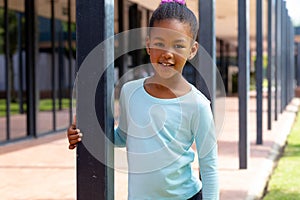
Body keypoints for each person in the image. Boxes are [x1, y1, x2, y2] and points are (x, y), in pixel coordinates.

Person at [68, 0, 219, 199]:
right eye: (159, 43)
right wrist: (85, 132)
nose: (167, 53)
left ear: (192, 50)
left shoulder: (198, 105)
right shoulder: (130, 92)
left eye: (178, 45)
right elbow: (122, 137)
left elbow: (209, 167)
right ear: (148, 44)